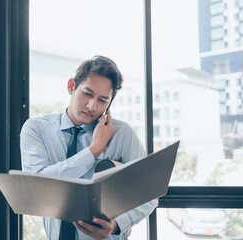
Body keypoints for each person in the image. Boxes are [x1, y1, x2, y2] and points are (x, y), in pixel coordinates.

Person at [20, 56, 158, 240]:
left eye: (102, 100)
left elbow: (148, 195)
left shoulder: (123, 134)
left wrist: (115, 225)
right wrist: (93, 150)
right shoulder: (36, 129)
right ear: (71, 86)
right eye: (87, 93)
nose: (92, 106)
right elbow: (37, 186)